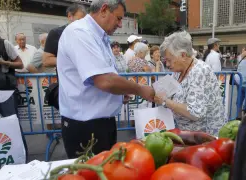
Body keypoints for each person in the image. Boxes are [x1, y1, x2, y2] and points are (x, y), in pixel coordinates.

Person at [57, 0, 155, 158]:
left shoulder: (98, 36)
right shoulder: (80, 32)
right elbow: (105, 80)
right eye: (118, 18)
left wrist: (118, 93)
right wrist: (140, 89)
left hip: (101, 123)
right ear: (103, 9)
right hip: (85, 126)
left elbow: (104, 76)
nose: (120, 24)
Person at [154, 31, 226, 136]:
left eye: (169, 60)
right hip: (189, 135)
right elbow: (169, 93)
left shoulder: (200, 71)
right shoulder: (178, 71)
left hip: (206, 137)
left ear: (183, 55)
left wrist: (165, 101)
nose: (167, 64)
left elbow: (195, 112)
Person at [0, 18, 27, 160]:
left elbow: (20, 64)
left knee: (12, 125)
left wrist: (3, 62)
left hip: (4, 92)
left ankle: (21, 158)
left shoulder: (3, 44)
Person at [43, 4, 86, 68]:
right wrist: (72, 61)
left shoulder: (86, 33)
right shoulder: (56, 33)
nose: (82, 23)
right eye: (79, 20)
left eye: (84, 21)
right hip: (67, 77)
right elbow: (46, 61)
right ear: (69, 16)